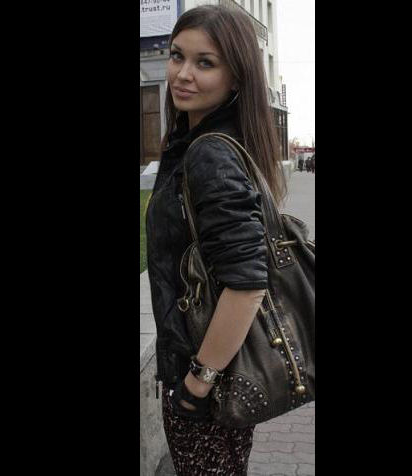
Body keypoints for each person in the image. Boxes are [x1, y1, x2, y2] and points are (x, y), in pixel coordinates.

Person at [145, 5, 286, 475]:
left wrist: (196, 384)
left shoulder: (210, 155)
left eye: (205, 63)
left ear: (236, 77)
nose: (182, 74)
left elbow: (247, 285)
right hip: (217, 368)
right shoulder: (206, 140)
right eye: (177, 56)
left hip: (205, 378)